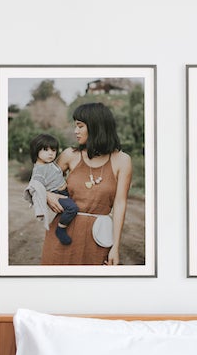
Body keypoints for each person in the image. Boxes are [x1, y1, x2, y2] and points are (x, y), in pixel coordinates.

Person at [41, 102, 133, 266]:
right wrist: (47, 195)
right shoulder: (70, 155)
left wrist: (116, 247)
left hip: (98, 236)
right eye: (75, 125)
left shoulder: (123, 161)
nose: (75, 131)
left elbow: (120, 204)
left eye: (80, 126)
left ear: (96, 126)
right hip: (63, 234)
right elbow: (39, 182)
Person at [24, 133, 81, 245]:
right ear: (36, 150)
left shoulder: (50, 163)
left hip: (65, 191)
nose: (50, 153)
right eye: (45, 150)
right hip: (57, 193)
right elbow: (36, 187)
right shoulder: (39, 170)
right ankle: (61, 229)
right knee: (72, 208)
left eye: (53, 150)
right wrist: (40, 206)